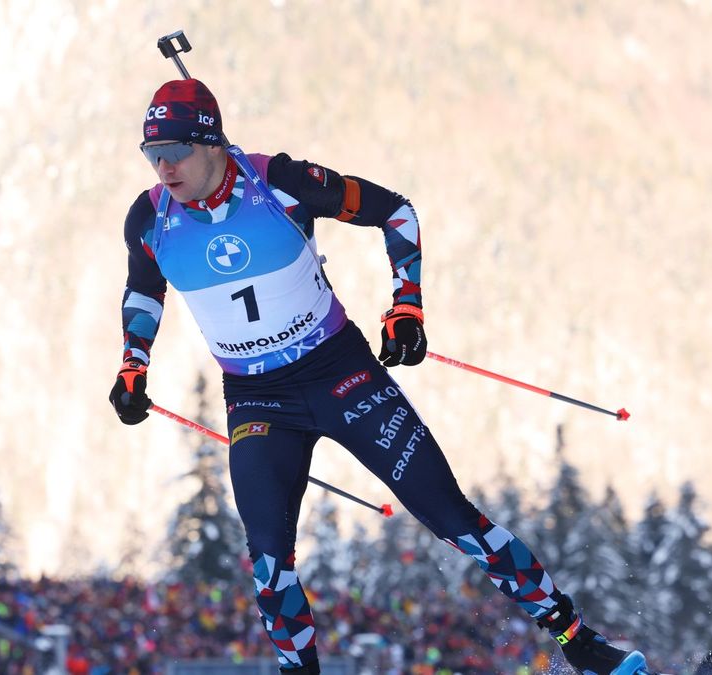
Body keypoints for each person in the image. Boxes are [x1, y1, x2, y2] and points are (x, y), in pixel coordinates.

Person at [109, 78, 655, 675]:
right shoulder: (149, 219)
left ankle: (578, 640)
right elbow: (144, 290)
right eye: (151, 153)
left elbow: (394, 211)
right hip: (256, 399)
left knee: (452, 517)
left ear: (212, 143)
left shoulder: (282, 183)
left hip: (340, 374)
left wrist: (407, 306)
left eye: (175, 151)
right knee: (268, 563)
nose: (163, 167)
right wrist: (133, 363)